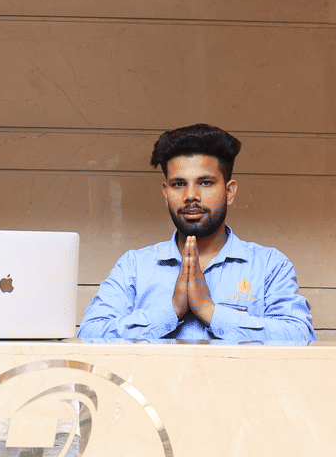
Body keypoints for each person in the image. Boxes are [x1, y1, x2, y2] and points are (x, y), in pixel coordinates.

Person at [77, 124, 314, 343]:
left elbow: (300, 335)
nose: (191, 195)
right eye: (179, 184)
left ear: (229, 192)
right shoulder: (134, 266)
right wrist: (171, 311)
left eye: (205, 183)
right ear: (165, 192)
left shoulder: (268, 265)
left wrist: (208, 311)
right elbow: (89, 334)